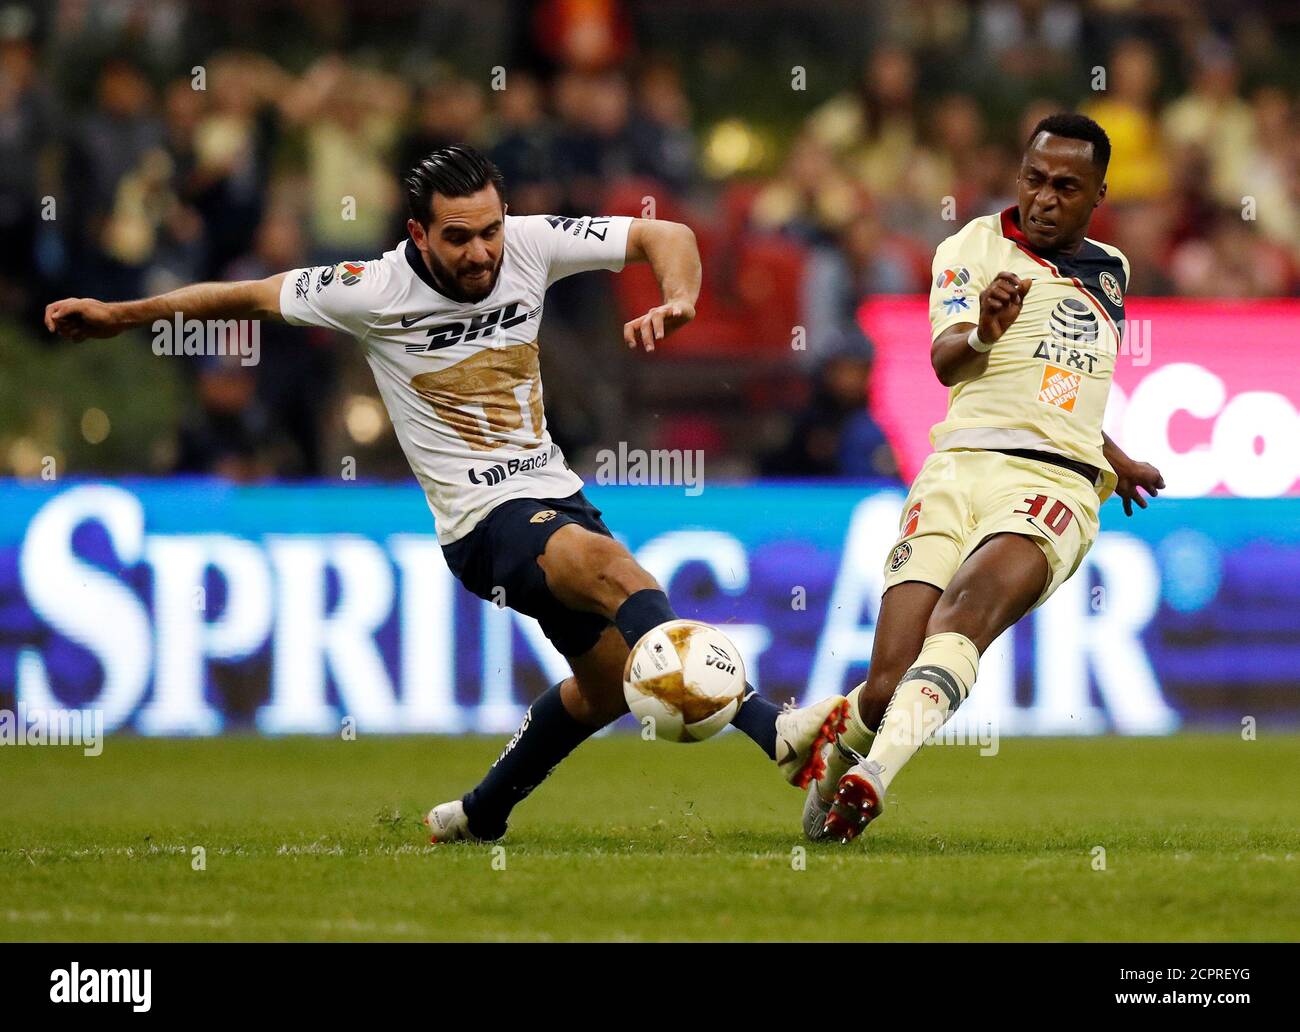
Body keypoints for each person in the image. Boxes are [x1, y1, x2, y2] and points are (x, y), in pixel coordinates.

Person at [44, 144, 850, 844]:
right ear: (418, 235)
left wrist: (679, 297)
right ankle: (772, 728)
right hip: (480, 525)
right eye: (458, 237)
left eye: (491, 230)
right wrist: (122, 314)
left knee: (605, 686)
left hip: (554, 495)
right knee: (613, 571)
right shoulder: (370, 288)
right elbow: (246, 295)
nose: (480, 253)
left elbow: (663, 234)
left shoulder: (530, 245)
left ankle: (479, 813)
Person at [803, 114, 1166, 843]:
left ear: (1099, 191)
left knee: (961, 617)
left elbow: (1066, 389)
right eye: (1034, 180)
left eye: (1067, 186)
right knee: (886, 683)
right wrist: (985, 333)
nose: (1045, 198)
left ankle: (871, 781)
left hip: (1054, 483)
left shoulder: (1112, 274)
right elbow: (945, 361)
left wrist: (1113, 458)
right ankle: (827, 749)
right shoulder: (970, 247)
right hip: (956, 468)